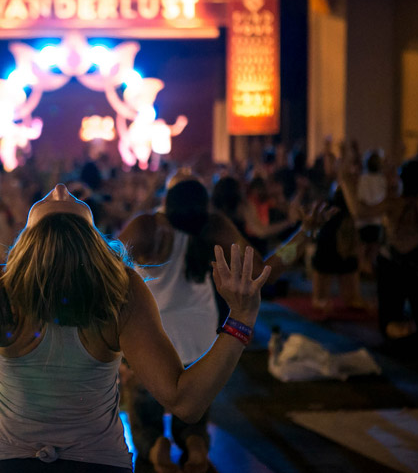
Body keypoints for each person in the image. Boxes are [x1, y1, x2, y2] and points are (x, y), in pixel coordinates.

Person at [0, 183, 271, 473]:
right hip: (99, 463)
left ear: (26, 242)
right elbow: (185, 401)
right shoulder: (121, 289)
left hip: (13, 463)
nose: (60, 187)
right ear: (95, 243)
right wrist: (239, 320)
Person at [118, 178, 329, 473]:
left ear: (168, 200)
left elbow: (106, 271)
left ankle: (155, 448)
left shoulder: (146, 227)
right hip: (200, 335)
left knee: (143, 411)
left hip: (150, 335)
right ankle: (195, 447)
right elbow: (264, 272)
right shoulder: (214, 226)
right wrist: (305, 234)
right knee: (195, 409)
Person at [340, 159, 418, 339]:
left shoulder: (393, 204)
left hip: (393, 266)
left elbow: (360, 211)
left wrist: (346, 181)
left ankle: (406, 331)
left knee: (390, 324)